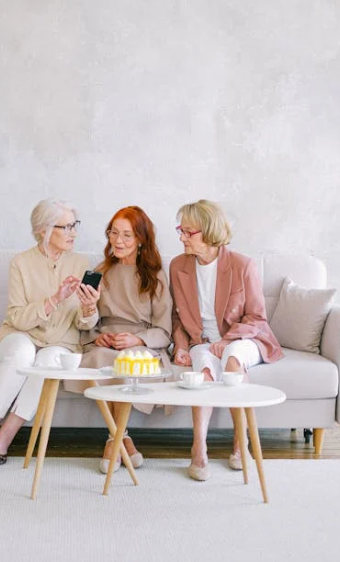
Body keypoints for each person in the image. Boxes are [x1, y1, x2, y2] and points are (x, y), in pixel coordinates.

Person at [0, 199, 100, 466]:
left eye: (74, 225)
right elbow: (16, 316)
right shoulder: (21, 263)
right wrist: (54, 299)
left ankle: (5, 437)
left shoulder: (81, 263)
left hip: (61, 341)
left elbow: (85, 324)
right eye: (66, 227)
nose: (73, 233)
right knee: (23, 352)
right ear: (43, 230)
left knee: (48, 362)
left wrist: (89, 307)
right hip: (19, 334)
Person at [170, 199, 283, 481]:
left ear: (209, 231)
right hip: (203, 341)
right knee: (203, 371)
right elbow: (176, 317)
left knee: (232, 358)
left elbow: (256, 317)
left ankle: (240, 442)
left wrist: (228, 338)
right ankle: (199, 448)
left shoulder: (242, 265)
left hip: (245, 337)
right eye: (180, 230)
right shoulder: (178, 266)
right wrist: (181, 347)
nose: (182, 237)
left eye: (188, 232)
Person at [78, 206, 172, 474]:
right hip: (107, 341)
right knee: (100, 357)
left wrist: (138, 340)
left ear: (141, 239)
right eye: (113, 233)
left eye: (127, 235)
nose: (117, 241)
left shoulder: (155, 275)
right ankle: (123, 439)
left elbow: (164, 330)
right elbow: (89, 323)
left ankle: (114, 440)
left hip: (142, 343)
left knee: (130, 361)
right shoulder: (100, 271)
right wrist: (100, 336)